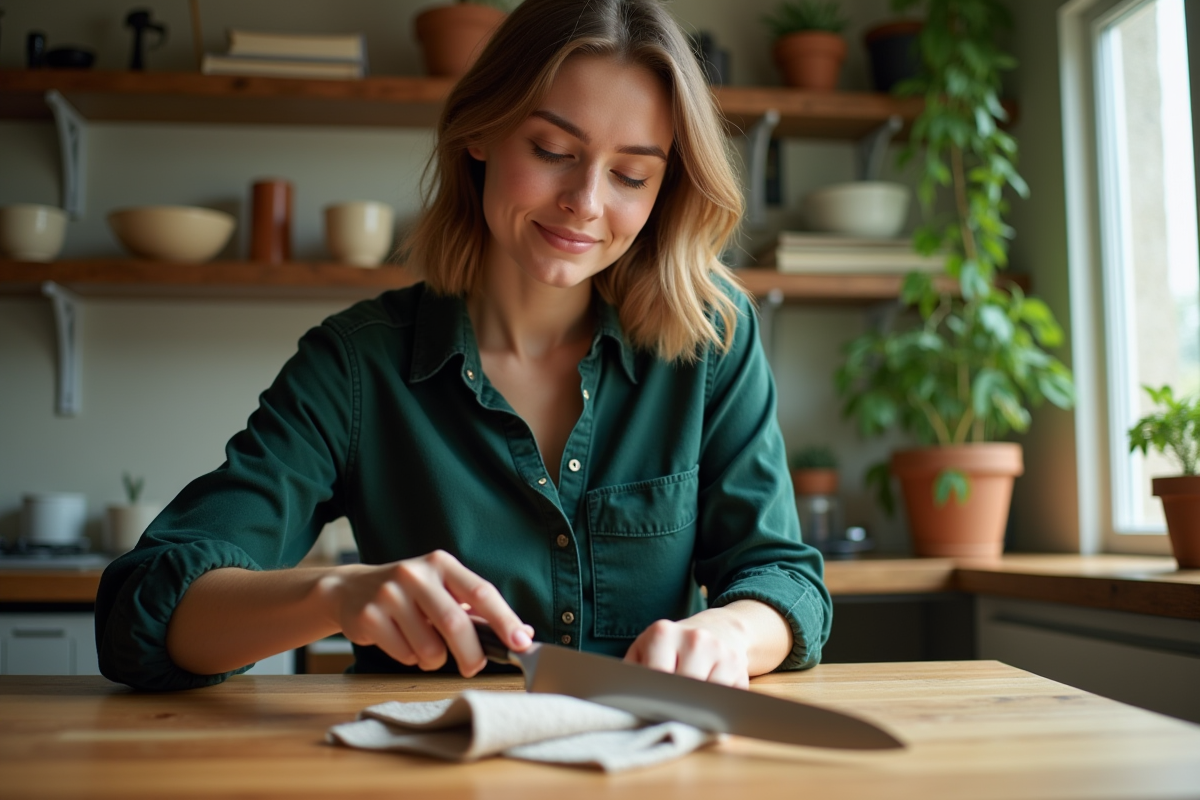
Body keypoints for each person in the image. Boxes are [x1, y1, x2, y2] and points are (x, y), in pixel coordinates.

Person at [95, 0, 832, 692]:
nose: (586, 203)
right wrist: (333, 594)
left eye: (631, 175)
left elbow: (782, 578)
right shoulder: (357, 366)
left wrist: (731, 633)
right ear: (479, 132)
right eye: (551, 150)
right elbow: (141, 611)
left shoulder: (711, 338)